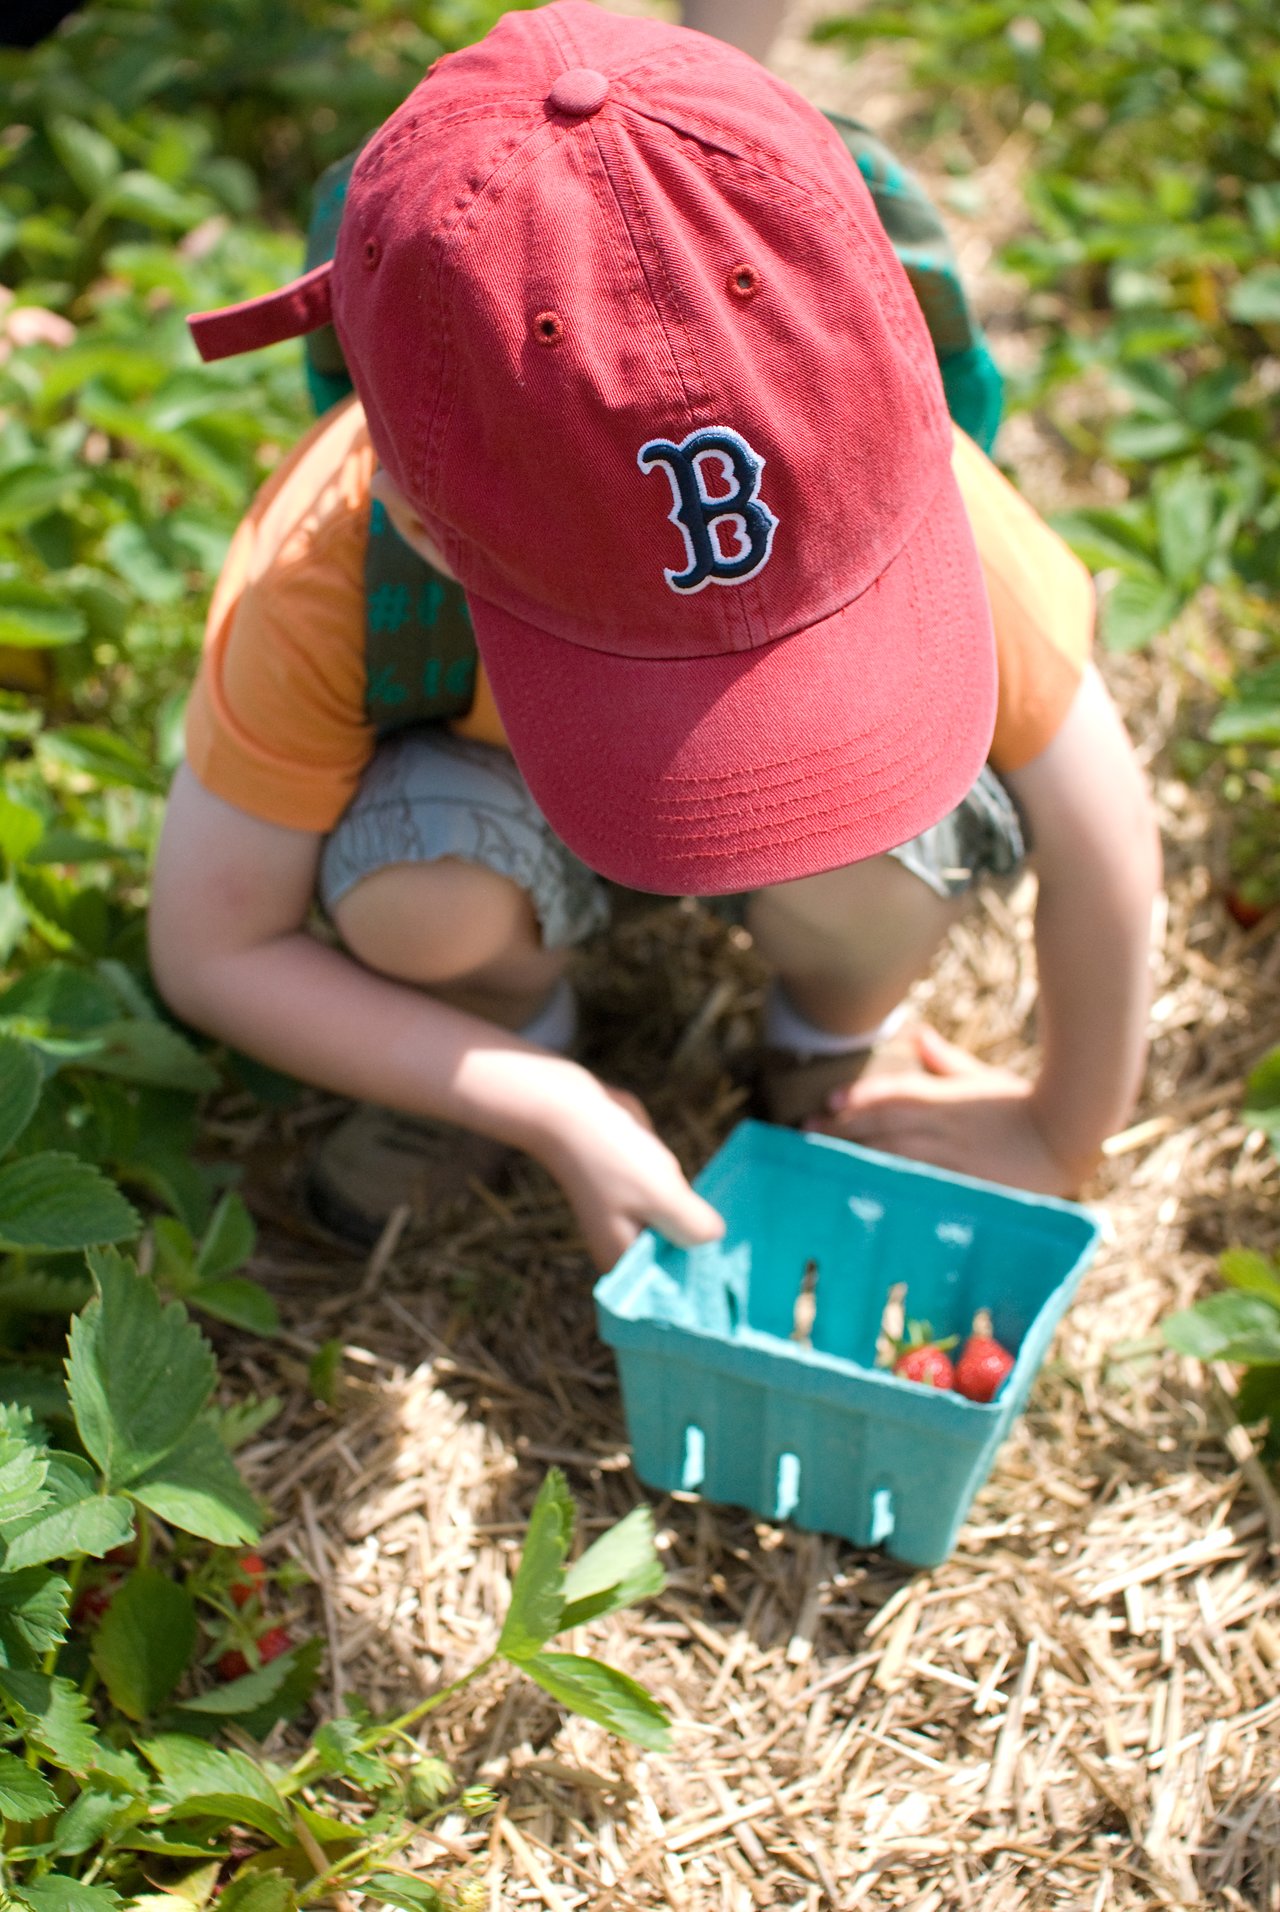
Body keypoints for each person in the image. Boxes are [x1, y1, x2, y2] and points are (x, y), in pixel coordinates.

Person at [149, 1, 1161, 1275]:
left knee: (883, 853)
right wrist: (531, 1092)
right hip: (492, 827)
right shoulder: (325, 566)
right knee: (418, 901)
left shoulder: (926, 502)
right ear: (415, 515)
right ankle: (509, 1006)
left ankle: (829, 1031)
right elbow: (209, 944)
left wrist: (1060, 1130)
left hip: (797, 843)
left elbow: (1105, 836)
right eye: (612, 630)